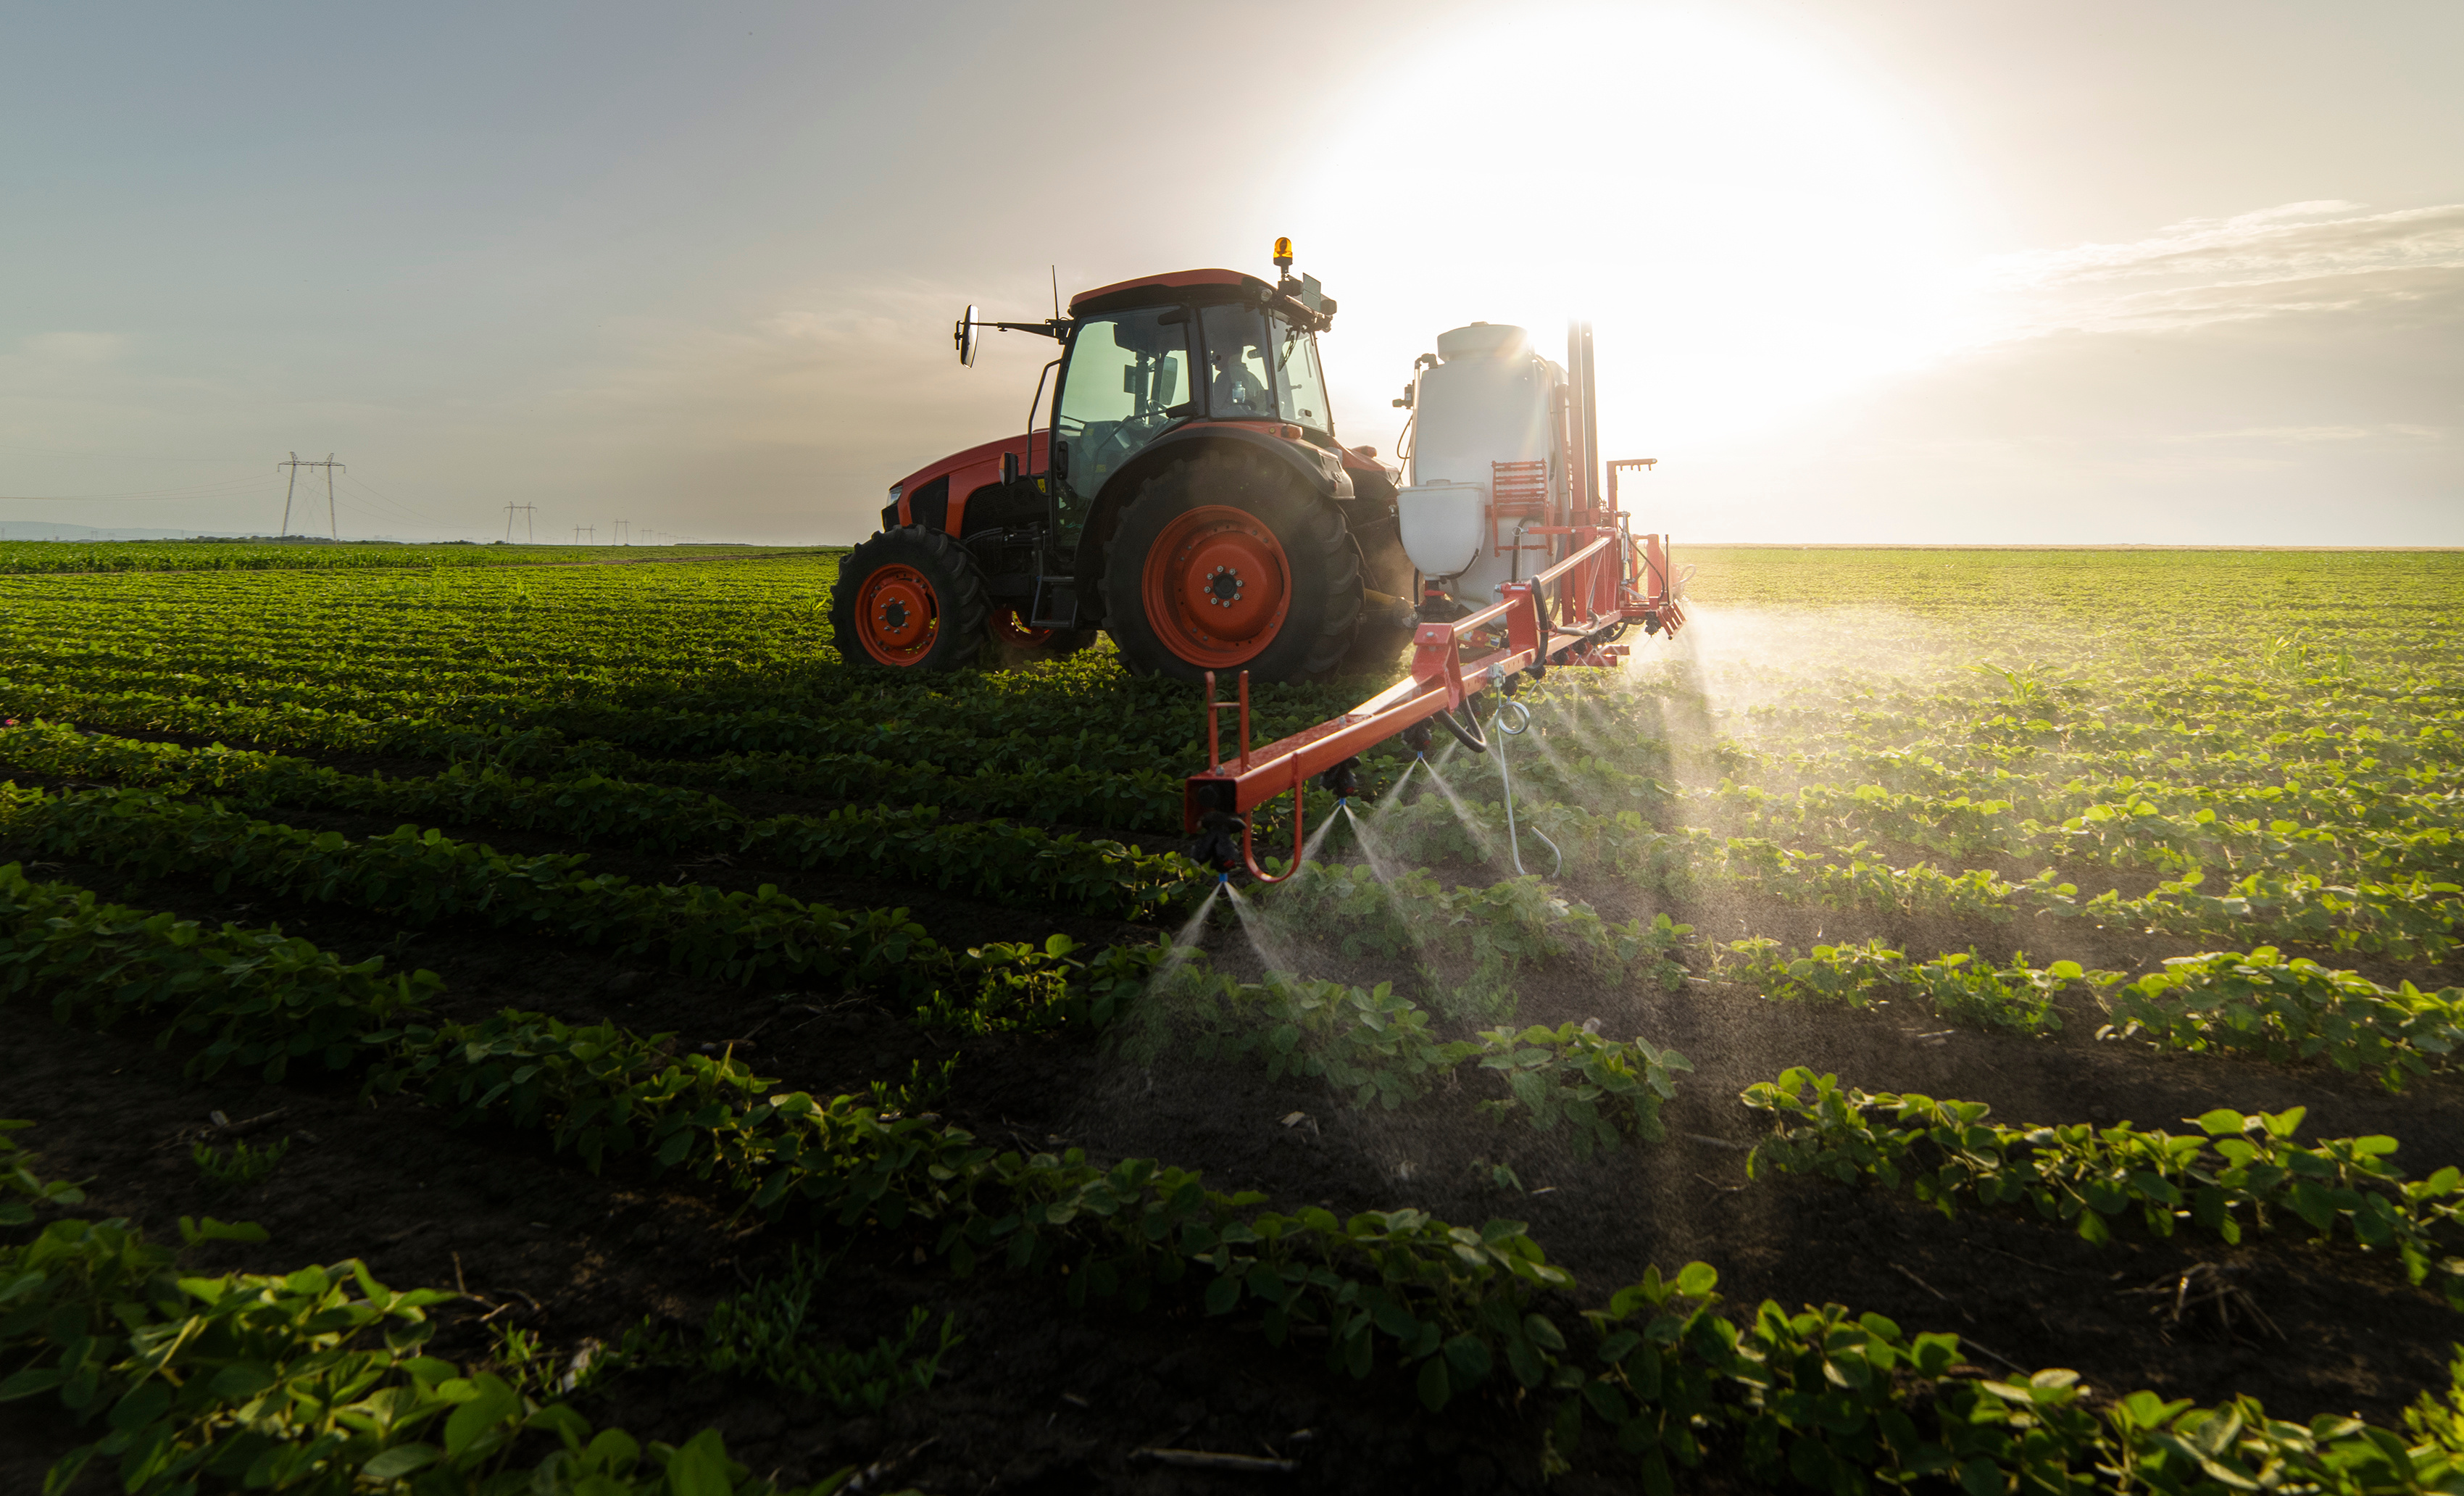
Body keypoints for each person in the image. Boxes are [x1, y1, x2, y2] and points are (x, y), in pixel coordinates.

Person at [1210, 341, 1271, 416]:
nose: (1212, 357)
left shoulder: (1226, 375)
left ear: (1226, 352)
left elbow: (1213, 408)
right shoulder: (1253, 378)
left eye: (1215, 352)